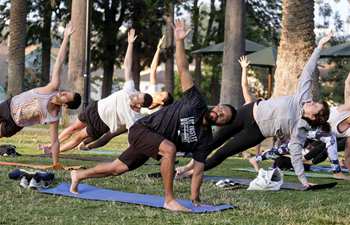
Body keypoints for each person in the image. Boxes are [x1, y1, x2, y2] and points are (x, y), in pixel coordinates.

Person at [69, 19, 235, 212]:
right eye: (222, 109)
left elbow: (198, 171)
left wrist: (195, 200)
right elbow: (182, 69)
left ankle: (78, 176)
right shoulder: (195, 101)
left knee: (117, 168)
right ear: (217, 105)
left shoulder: (205, 140)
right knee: (170, 149)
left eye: (224, 117)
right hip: (143, 130)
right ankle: (169, 200)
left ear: (221, 124)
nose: (220, 113)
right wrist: (180, 41)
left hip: (153, 142)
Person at [177, 33, 333, 187]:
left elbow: (296, 155)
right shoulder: (302, 98)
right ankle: (187, 166)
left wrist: (304, 181)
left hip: (256, 133)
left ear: (313, 116)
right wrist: (320, 46)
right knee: (213, 141)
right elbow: (308, 71)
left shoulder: (300, 129)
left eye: (315, 105)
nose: (312, 101)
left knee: (223, 153)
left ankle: (190, 175)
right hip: (248, 112)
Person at [41, 29, 156, 154]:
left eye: (138, 97)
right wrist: (130, 44)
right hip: (95, 108)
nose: (136, 94)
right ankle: (50, 145)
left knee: (79, 136)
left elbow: (132, 135)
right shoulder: (130, 89)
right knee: (73, 127)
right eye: (139, 93)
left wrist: (131, 154)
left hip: (101, 124)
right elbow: (127, 66)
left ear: (138, 105)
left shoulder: (133, 117)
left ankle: (54, 152)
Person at [0, 23, 81, 168]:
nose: (62, 93)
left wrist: (56, 163)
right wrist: (65, 38)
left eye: (65, 97)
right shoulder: (53, 87)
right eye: (66, 92)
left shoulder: (53, 116)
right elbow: (59, 62)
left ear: (65, 105)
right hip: (8, 106)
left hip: (15, 124)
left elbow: (55, 141)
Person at [76, 35, 173, 151]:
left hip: (134, 122)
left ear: (163, 101)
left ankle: (90, 146)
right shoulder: (152, 91)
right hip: (126, 112)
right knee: (107, 133)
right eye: (162, 92)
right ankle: (85, 143)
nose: (160, 93)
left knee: (110, 135)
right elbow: (153, 69)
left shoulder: (157, 111)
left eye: (162, 95)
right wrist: (158, 49)